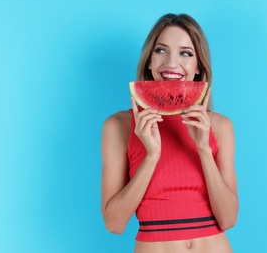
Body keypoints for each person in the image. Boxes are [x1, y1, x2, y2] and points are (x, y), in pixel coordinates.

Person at [101, 13, 239, 252]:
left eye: (186, 53)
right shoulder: (119, 126)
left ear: (199, 67)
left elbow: (228, 219)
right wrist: (151, 155)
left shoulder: (219, 126)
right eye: (161, 50)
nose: (171, 63)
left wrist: (204, 150)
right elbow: (114, 223)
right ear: (149, 62)